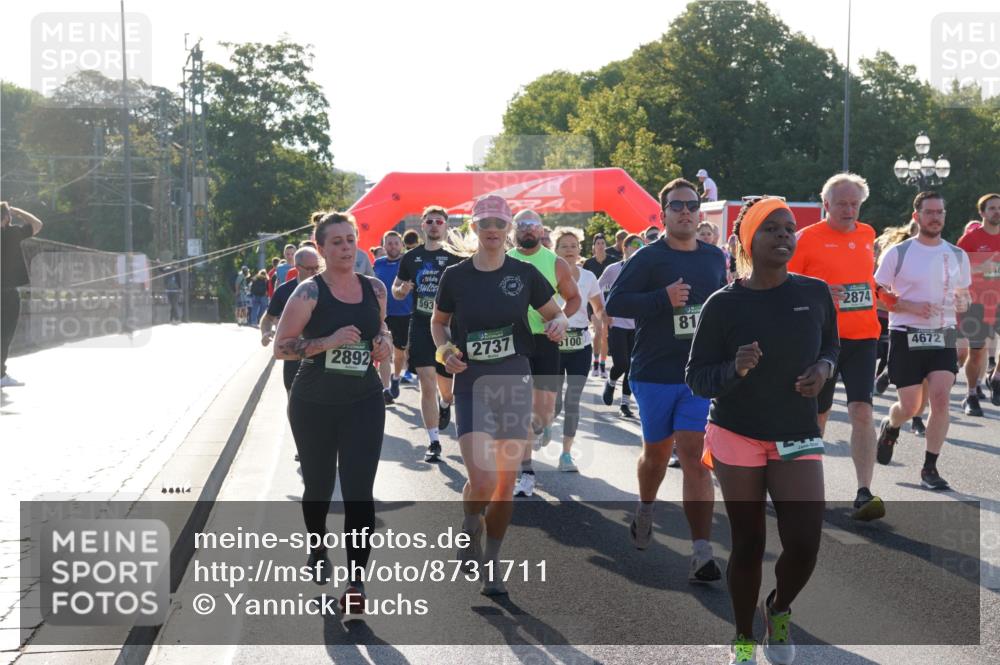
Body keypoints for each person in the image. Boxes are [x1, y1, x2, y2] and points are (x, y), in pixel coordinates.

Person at [687, 196, 838, 665]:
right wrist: (734, 369)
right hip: (738, 431)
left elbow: (832, 344)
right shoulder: (723, 303)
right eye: (771, 228)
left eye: (789, 228)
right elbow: (696, 377)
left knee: (805, 542)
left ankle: (779, 608)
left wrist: (825, 367)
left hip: (795, 429)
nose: (783, 236)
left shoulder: (814, 293)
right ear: (749, 240)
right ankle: (744, 636)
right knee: (749, 542)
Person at [431, 194, 568, 596]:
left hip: (513, 380)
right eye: (485, 222)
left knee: (505, 484)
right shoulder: (455, 276)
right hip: (472, 383)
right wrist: (444, 350)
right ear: (473, 227)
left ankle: (492, 564)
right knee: (482, 478)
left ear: (508, 230)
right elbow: (439, 324)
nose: (493, 229)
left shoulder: (524, 274)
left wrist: (558, 324)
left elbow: (554, 313)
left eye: (500, 223)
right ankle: (470, 521)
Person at [606, 177, 727, 583]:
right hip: (654, 372)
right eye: (677, 206)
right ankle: (645, 506)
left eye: (692, 205)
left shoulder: (713, 257)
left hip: (698, 375)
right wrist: (663, 298)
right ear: (663, 214)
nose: (686, 212)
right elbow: (615, 303)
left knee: (694, 455)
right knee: (656, 455)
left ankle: (701, 551)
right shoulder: (648, 258)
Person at [273, 211, 393, 620]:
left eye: (350, 239)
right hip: (314, 404)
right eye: (336, 242)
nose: (346, 247)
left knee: (360, 491)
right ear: (321, 249)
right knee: (320, 487)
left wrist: (382, 344)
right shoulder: (308, 293)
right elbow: (281, 347)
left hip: (363, 399)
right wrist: (326, 341)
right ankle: (318, 544)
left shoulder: (375, 288)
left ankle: (356, 581)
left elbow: (383, 331)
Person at [787, 173, 885, 522]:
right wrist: (819, 296)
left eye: (854, 204)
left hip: (863, 337)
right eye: (842, 203)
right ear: (825, 204)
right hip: (823, 339)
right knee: (818, 415)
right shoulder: (805, 239)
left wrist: (882, 295)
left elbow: (866, 279)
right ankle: (804, 487)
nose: (849, 209)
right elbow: (783, 285)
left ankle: (863, 491)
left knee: (862, 411)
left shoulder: (867, 234)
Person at [874, 191, 971, 490]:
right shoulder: (899, 253)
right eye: (929, 212)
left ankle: (930, 467)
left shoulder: (957, 255)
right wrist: (907, 306)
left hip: (942, 334)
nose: (936, 217)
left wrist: (963, 305)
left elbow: (964, 296)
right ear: (916, 216)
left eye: (940, 212)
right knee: (911, 407)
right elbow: (876, 294)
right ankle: (891, 426)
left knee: (941, 399)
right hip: (906, 335)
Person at [507, 210, 581, 497]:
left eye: (533, 226)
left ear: (541, 230)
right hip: (515, 342)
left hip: (547, 340)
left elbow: (574, 298)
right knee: (521, 408)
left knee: (545, 412)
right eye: (522, 226)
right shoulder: (505, 259)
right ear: (514, 229)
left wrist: (561, 318)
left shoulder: (555, 263)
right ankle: (525, 471)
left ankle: (538, 430)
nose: (527, 230)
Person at [393, 205, 463, 462]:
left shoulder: (456, 256)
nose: (434, 225)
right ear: (422, 225)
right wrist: (400, 291)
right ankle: (433, 441)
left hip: (448, 328)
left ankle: (445, 405)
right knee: (426, 381)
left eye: (439, 221)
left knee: (447, 390)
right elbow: (397, 286)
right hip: (422, 324)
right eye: (430, 221)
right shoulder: (411, 257)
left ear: (445, 226)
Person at [551, 227, 605, 472]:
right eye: (565, 246)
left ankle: (566, 454)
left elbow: (598, 306)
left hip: (580, 344)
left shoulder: (589, 277)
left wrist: (602, 318)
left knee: (572, 400)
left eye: (574, 245)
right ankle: (542, 427)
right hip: (552, 344)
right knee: (554, 404)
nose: (570, 250)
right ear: (556, 250)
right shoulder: (547, 275)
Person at [956, 193, 1000, 412]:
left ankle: (997, 376)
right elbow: (956, 268)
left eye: (999, 208)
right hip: (978, 303)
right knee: (977, 353)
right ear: (982, 213)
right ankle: (971, 394)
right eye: (991, 208)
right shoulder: (971, 239)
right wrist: (979, 268)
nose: (997, 212)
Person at [261, 246, 323, 392]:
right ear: (297, 267)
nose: (314, 272)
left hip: (321, 352)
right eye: (309, 269)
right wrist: (265, 333)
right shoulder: (284, 290)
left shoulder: (326, 287)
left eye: (317, 268)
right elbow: (268, 317)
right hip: (294, 352)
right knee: (293, 395)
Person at [599, 234, 642, 418]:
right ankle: (611, 381)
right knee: (622, 363)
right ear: (625, 248)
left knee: (632, 366)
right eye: (633, 245)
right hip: (617, 322)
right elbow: (597, 288)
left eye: (640, 245)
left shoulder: (645, 269)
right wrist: (604, 311)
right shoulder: (613, 269)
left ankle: (625, 404)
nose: (637, 248)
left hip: (638, 324)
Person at [1, 202, 43, 387]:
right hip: (7, 294)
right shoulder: (12, 233)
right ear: (7, 218)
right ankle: (1, 376)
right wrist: (18, 212)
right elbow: (37, 224)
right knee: (5, 335)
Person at [374, 230, 413, 404]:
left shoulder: (408, 262)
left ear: (402, 245)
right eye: (389, 243)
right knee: (382, 350)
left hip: (404, 313)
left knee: (399, 353)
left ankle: (396, 377)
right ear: (384, 246)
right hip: (382, 314)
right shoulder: (378, 263)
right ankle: (385, 387)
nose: (393, 246)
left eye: (396, 243)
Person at [583, 233, 616, 378]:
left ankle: (602, 365)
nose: (601, 246)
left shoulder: (613, 262)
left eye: (603, 243)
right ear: (593, 247)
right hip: (593, 302)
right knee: (598, 331)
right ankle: (595, 363)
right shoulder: (588, 264)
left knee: (605, 334)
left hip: (609, 302)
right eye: (598, 244)